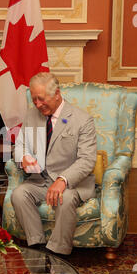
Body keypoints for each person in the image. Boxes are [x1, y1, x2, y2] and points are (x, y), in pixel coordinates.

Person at [11, 72, 97, 256]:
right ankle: (37, 248)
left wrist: (63, 179)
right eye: (34, 100)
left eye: (41, 99)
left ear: (56, 93)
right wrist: (23, 157)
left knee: (64, 199)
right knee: (18, 194)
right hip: (40, 182)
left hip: (71, 183)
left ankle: (58, 254)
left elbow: (87, 159)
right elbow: (20, 145)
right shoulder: (32, 116)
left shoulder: (82, 120)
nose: (37, 105)